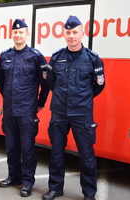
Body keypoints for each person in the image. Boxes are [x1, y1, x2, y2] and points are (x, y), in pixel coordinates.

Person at [42, 16, 105, 200]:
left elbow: (99, 85)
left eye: (75, 32)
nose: (71, 36)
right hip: (59, 112)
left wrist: (83, 98)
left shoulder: (93, 59)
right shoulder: (56, 58)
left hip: (82, 114)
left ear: (82, 34)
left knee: (86, 157)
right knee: (56, 153)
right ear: (64, 35)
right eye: (68, 33)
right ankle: (55, 188)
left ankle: (89, 194)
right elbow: (51, 83)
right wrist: (65, 98)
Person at [0, 19, 50, 197]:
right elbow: (0, 81)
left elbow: (46, 81)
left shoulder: (35, 56)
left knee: (27, 148)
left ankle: (27, 181)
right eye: (15, 32)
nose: (18, 35)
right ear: (12, 34)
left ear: (27, 35)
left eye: (22, 32)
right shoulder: (5, 56)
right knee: (11, 146)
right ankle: (14, 176)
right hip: (10, 110)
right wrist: (8, 99)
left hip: (27, 111)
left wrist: (40, 102)